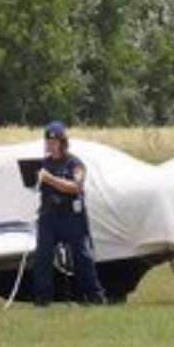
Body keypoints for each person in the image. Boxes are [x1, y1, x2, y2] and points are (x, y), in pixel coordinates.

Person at [33, 121, 105, 307]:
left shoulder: (75, 164)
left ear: (62, 142)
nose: (50, 145)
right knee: (42, 257)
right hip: (49, 217)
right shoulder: (43, 164)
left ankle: (95, 297)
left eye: (54, 141)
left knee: (82, 258)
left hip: (71, 217)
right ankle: (42, 299)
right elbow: (36, 187)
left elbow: (75, 187)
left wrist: (49, 178)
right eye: (48, 142)